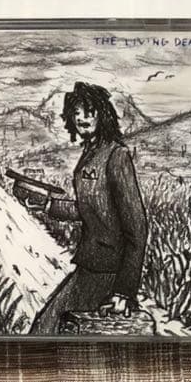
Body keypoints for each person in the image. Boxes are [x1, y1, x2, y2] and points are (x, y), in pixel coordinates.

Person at [17, 82, 148, 335]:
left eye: (89, 111)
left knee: (49, 328)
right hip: (90, 265)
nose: (81, 118)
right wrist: (47, 204)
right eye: (76, 113)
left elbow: (137, 228)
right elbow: (91, 209)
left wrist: (124, 292)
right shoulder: (91, 151)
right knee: (48, 327)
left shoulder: (116, 155)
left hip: (108, 272)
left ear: (103, 114)